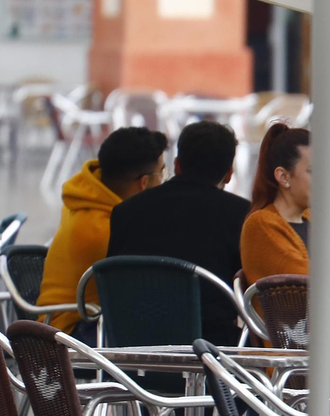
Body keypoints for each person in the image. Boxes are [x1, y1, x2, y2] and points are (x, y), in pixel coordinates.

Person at [106, 121, 248, 345]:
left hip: (135, 350)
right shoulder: (242, 215)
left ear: (177, 164)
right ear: (229, 174)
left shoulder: (125, 211)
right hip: (213, 352)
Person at [38, 126, 166, 335]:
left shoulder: (87, 201)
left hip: (65, 324)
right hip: (71, 336)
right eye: (162, 173)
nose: (164, 181)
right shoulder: (103, 230)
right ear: (144, 182)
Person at [240, 122, 312, 283]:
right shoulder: (260, 225)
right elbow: (304, 280)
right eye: (313, 171)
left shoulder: (328, 224)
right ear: (283, 176)